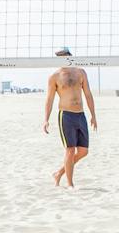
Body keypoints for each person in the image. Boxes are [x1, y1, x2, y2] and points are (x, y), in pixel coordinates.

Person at [42, 46, 97, 187]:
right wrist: (46, 120)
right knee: (70, 150)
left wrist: (93, 115)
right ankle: (70, 184)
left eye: (64, 55)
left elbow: (88, 94)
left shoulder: (80, 72)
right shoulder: (55, 76)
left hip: (81, 115)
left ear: (70, 56)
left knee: (84, 151)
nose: (61, 58)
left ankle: (59, 173)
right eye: (59, 56)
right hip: (65, 115)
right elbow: (49, 99)